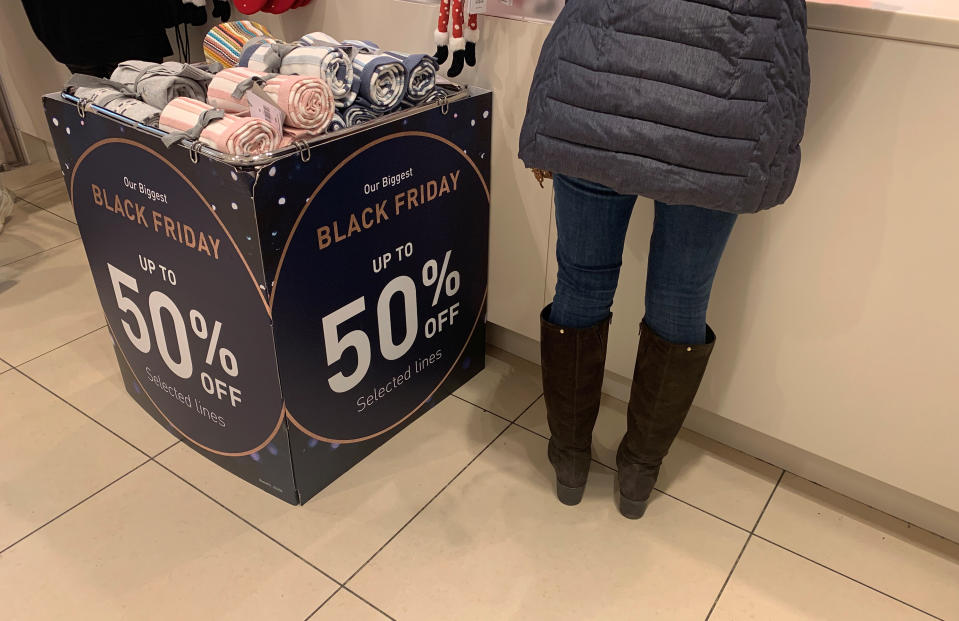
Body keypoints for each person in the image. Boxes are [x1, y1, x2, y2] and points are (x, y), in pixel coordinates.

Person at [519, 0, 810, 518]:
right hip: (722, 115)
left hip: (597, 86)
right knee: (681, 297)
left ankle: (570, 461)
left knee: (581, 283)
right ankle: (638, 474)